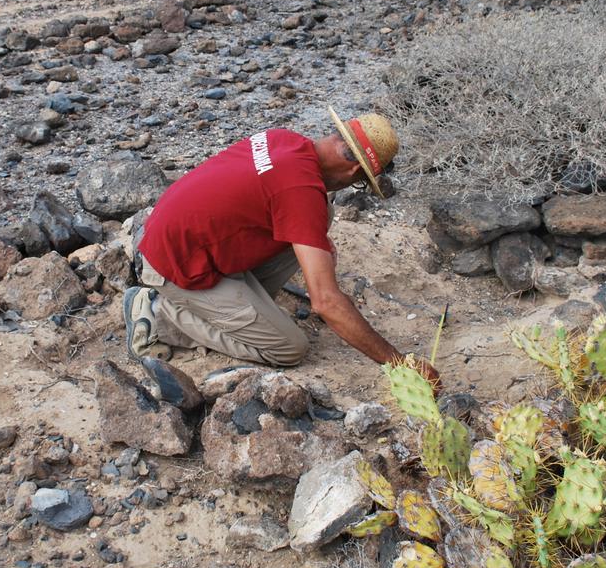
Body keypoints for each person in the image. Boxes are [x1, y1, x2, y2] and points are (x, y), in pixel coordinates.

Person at [122, 107, 442, 389]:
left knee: (319, 222)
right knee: (289, 349)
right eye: (360, 183)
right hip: (171, 267)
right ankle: (158, 313)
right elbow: (326, 303)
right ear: (354, 172)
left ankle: (240, 304)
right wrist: (399, 364)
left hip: (173, 236)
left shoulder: (283, 139)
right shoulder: (300, 191)